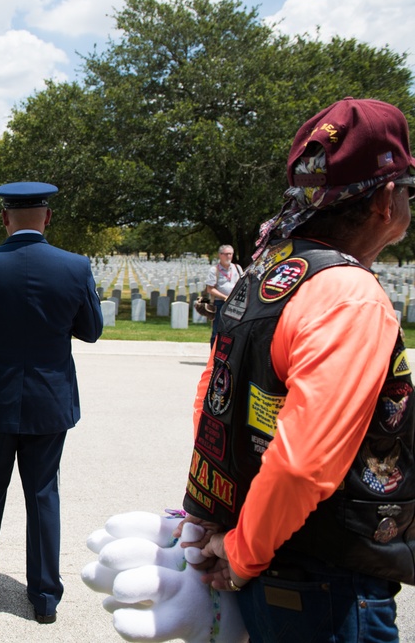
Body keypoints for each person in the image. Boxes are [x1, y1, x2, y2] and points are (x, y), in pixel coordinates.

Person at [181, 97, 415, 642]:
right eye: (408, 190)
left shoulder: (267, 274)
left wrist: (221, 520)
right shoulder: (348, 295)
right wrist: (240, 555)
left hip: (266, 545)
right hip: (327, 577)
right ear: (384, 200)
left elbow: (212, 405)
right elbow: (303, 464)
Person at [0, 182, 103, 624]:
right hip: (50, 402)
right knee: (43, 494)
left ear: (4, 218)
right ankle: (45, 596)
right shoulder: (75, 267)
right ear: (48, 218)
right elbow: (91, 330)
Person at [205, 244, 242, 343]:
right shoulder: (214, 270)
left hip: (235, 304)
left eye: (230, 254)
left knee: (233, 331)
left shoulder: (237, 268)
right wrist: (225, 297)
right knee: (217, 332)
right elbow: (210, 289)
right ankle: (213, 356)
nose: (228, 256)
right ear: (220, 255)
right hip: (219, 303)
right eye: (225, 254)